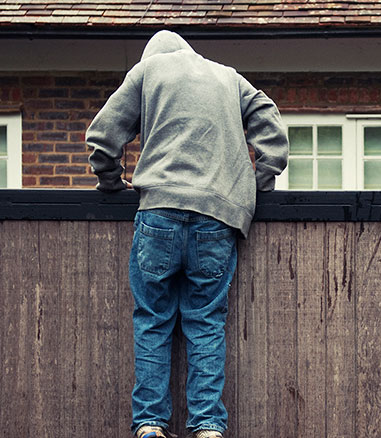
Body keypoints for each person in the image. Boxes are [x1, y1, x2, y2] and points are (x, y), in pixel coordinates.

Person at [86, 30, 289, 438]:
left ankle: (149, 426)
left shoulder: (149, 70)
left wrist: (111, 181)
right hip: (218, 216)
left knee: (152, 321)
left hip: (159, 212)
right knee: (206, 322)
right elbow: (270, 121)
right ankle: (209, 427)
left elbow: (104, 136)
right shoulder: (227, 76)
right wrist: (260, 180)